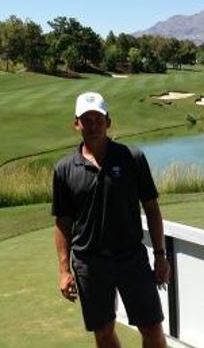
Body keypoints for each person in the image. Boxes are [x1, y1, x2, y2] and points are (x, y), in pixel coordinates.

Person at [53, 91, 170, 348]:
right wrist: (64, 270)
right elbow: (63, 223)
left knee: (152, 328)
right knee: (103, 332)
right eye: (87, 119)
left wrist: (160, 255)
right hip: (89, 263)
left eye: (98, 118)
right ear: (77, 124)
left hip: (132, 258)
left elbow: (151, 208)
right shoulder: (64, 169)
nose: (93, 125)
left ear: (108, 122)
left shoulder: (132, 158)